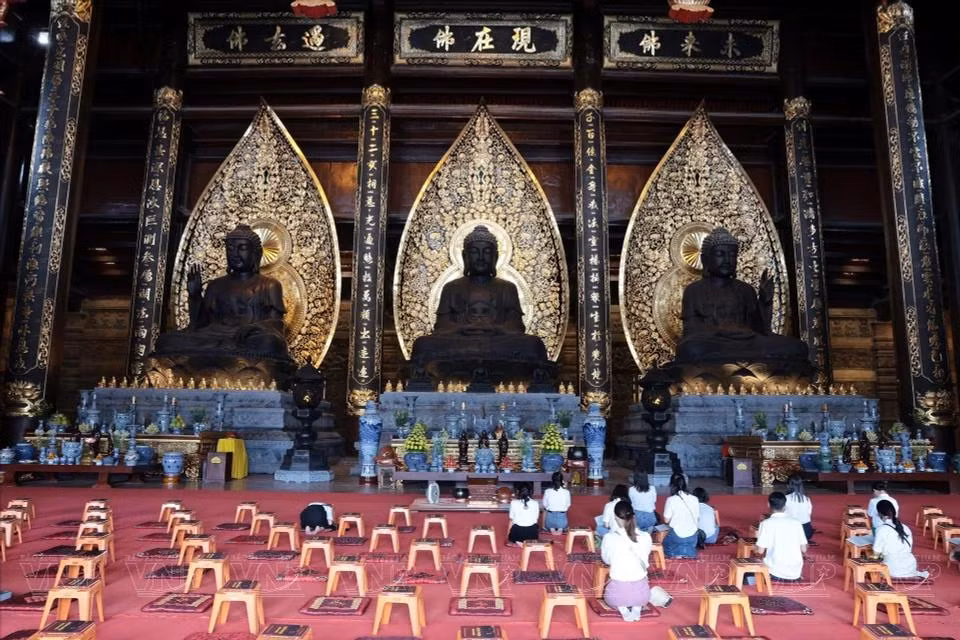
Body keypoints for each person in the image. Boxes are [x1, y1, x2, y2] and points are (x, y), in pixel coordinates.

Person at [408, 225, 555, 388]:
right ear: (465, 257)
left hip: (497, 341)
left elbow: (516, 326)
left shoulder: (507, 288)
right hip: (461, 341)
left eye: (486, 252)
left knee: (533, 345)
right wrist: (463, 328)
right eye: (474, 252)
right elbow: (441, 326)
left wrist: (496, 329)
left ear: (496, 257)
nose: (480, 257)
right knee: (423, 345)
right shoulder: (452, 287)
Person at [673, 227, 808, 365]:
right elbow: (691, 332)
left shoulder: (746, 290)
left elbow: (762, 331)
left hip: (747, 342)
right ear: (705, 259)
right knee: (691, 349)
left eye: (732, 255)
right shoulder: (694, 291)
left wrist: (764, 301)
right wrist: (722, 332)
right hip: (715, 344)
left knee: (798, 347)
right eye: (720, 254)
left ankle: (738, 363)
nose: (727, 260)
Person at [153, 224, 291, 358]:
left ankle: (222, 354)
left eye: (242, 248)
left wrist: (255, 328)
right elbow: (200, 324)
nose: (235, 254)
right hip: (214, 336)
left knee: (269, 343)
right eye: (230, 249)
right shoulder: (216, 285)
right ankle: (223, 354)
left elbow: (277, 324)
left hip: (248, 338)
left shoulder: (269, 285)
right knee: (165, 341)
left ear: (256, 253)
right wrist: (195, 296)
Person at [600, 501, 653, 621]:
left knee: (615, 592)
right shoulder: (646, 537)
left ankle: (623, 608)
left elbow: (607, 561)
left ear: (616, 519)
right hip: (643, 596)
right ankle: (637, 607)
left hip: (617, 596)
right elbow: (646, 555)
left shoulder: (609, 538)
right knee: (641, 587)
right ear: (633, 516)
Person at [756, 491, 808, 581]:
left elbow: (760, 551)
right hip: (795, 572)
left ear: (768, 504)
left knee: (748, 572)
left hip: (774, 571)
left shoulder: (766, 523)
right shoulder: (796, 523)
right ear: (785, 505)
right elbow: (804, 549)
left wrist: (756, 543)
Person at [872, 500, 928, 579]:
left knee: (871, 566)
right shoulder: (905, 527)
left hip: (892, 568)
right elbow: (909, 548)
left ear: (879, 514)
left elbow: (876, 553)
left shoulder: (881, 529)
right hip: (910, 567)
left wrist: (870, 561)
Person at [662, 473, 700, 557]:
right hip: (693, 537)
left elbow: (666, 520)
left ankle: (677, 552)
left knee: (665, 544)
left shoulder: (671, 500)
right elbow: (697, 518)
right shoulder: (695, 499)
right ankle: (686, 551)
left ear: (671, 485)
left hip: (677, 535)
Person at [784, 474, 814, 542]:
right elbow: (809, 514)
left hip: (789, 532)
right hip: (806, 532)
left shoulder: (786, 498)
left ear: (788, 485)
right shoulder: (806, 499)